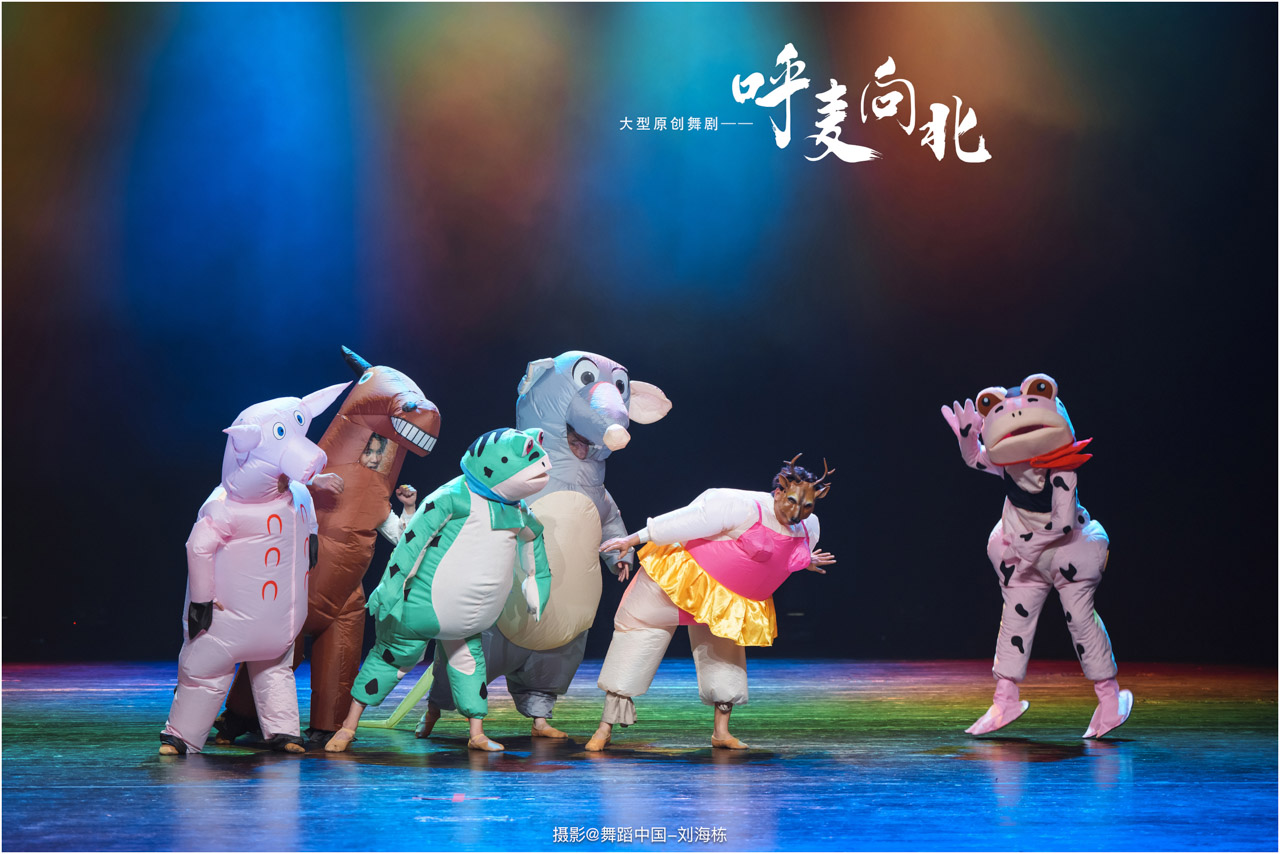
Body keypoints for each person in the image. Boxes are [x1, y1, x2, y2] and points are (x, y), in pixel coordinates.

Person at [586, 455, 836, 751]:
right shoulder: (741, 505)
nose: (796, 514)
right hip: (678, 580)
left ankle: (721, 732)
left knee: (725, 657)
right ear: (780, 490)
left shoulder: (809, 527)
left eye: (806, 506)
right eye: (792, 502)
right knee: (636, 638)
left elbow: (781, 558)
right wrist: (632, 540)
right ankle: (605, 727)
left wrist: (805, 561)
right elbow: (688, 519)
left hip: (724, 599)